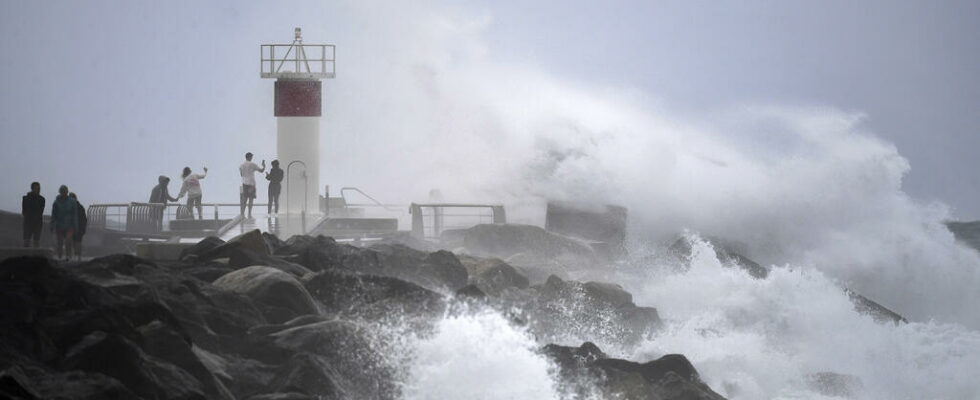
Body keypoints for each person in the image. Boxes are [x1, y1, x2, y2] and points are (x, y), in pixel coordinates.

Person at [50, 185, 78, 261]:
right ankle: (60, 256)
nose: (64, 193)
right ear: (60, 192)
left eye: (65, 192)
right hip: (59, 225)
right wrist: (52, 225)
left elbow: (75, 214)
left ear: (67, 192)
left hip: (69, 225)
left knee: (68, 241)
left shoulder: (72, 202)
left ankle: (68, 256)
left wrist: (75, 226)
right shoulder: (56, 202)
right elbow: (54, 215)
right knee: (60, 243)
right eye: (62, 192)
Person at [239, 152, 265, 218]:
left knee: (244, 199)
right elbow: (261, 171)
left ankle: (242, 214)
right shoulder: (252, 164)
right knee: (251, 199)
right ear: (250, 157)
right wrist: (264, 166)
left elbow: (241, 174)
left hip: (244, 183)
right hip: (251, 184)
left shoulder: (241, 165)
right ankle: (249, 214)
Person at [21, 182, 45, 248]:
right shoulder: (25, 198)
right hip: (28, 221)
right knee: (26, 241)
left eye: (39, 188)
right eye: (37, 188)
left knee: (36, 241)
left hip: (37, 222)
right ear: (32, 188)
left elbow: (41, 211)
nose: (39, 190)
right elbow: (24, 210)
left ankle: (36, 256)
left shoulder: (42, 199)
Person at [69, 192, 87, 261]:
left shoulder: (79, 207)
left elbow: (83, 220)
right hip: (74, 228)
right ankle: (76, 257)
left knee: (77, 243)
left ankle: (77, 257)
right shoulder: (79, 207)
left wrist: (82, 229)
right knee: (74, 243)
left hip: (78, 228)